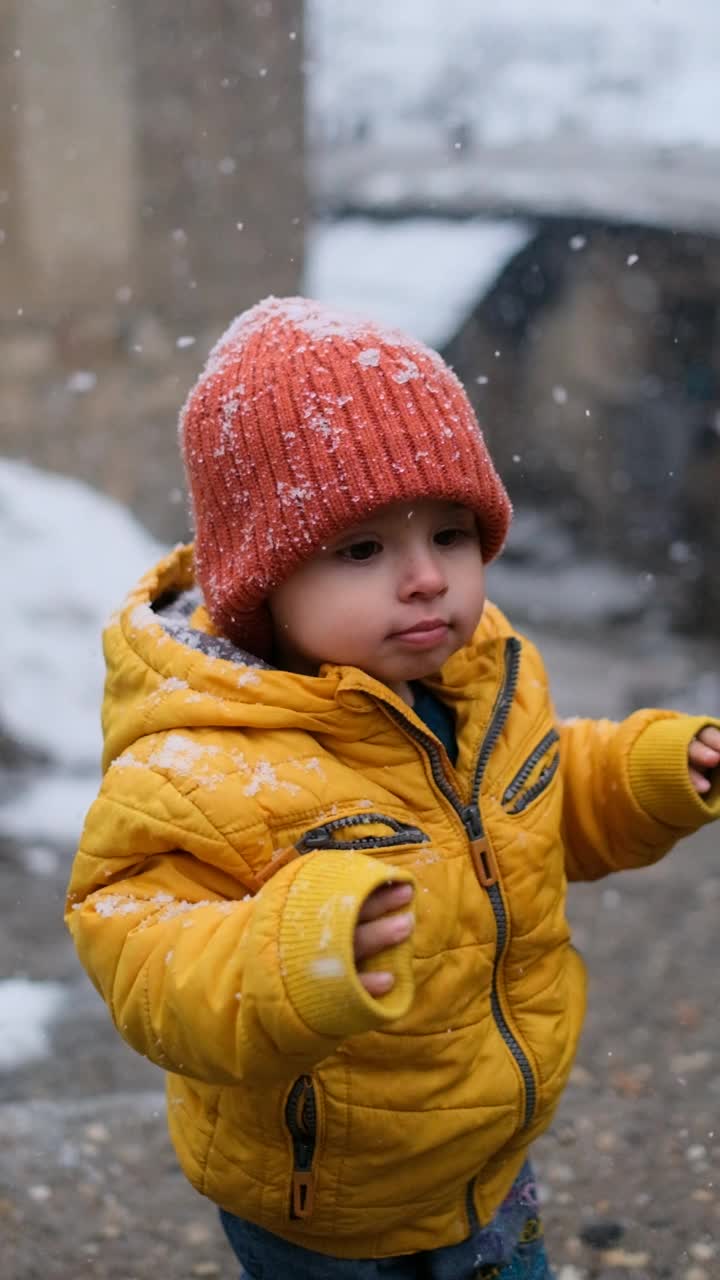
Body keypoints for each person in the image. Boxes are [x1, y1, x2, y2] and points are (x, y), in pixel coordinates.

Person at [66, 296, 720, 1280]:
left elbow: (534, 803)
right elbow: (141, 945)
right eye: (364, 548)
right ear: (263, 580)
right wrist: (293, 952)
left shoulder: (485, 678)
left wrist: (642, 773)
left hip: (488, 1155)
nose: (425, 578)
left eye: (450, 535)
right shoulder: (209, 757)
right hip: (323, 1201)